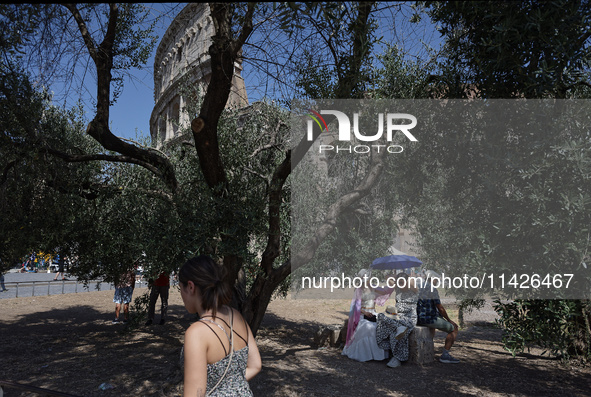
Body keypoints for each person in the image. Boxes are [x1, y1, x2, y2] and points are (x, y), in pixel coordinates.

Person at [179, 255, 261, 396]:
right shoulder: (236, 315)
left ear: (190, 287)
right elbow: (255, 365)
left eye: (180, 288)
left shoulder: (196, 333)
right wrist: (230, 388)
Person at [342, 269, 394, 362]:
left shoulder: (374, 287)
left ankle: (380, 354)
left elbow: (386, 290)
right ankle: (366, 355)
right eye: (366, 278)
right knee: (367, 327)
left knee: (382, 324)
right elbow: (356, 307)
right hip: (362, 314)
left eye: (368, 278)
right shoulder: (359, 290)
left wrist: (389, 278)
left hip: (373, 313)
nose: (368, 280)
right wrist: (365, 312)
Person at [375, 272, 419, 368]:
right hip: (397, 316)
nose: (401, 285)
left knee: (396, 333)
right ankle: (399, 327)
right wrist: (393, 276)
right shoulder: (398, 287)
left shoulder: (413, 289)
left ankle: (398, 358)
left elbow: (413, 285)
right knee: (380, 316)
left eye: (403, 282)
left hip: (409, 318)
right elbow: (387, 277)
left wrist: (409, 277)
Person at [416, 270, 460, 364]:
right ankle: (445, 355)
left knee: (432, 328)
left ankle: (428, 349)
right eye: (436, 280)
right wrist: (449, 320)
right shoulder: (432, 288)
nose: (437, 282)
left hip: (418, 317)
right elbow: (440, 307)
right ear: (432, 279)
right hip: (428, 318)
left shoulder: (418, 285)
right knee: (454, 328)